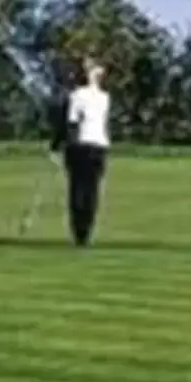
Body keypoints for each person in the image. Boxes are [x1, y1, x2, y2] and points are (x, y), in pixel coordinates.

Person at [57, 60, 113, 246]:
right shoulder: (104, 97)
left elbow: (71, 123)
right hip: (97, 147)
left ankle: (80, 232)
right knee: (91, 191)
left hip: (81, 146)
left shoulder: (78, 96)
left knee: (77, 191)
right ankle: (85, 232)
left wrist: (58, 144)